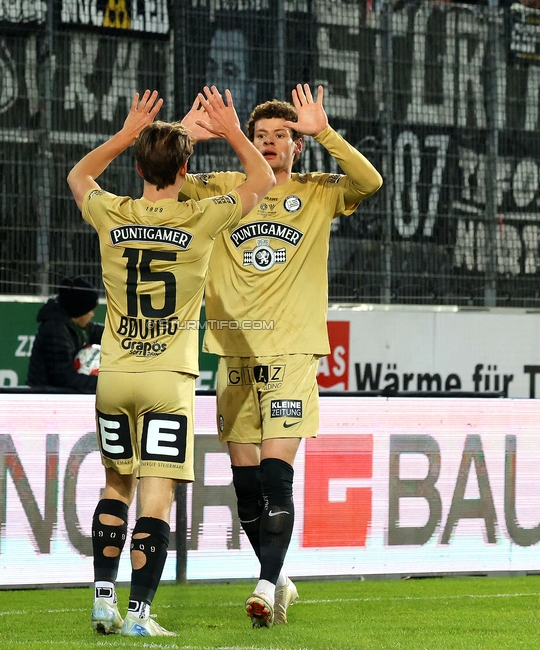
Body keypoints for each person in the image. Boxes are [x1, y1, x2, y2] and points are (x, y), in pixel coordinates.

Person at [67, 86, 274, 637]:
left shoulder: (113, 214)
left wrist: (128, 133)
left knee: (117, 485)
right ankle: (139, 615)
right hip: (168, 377)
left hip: (113, 374)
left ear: (137, 163)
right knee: (155, 494)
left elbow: (79, 177)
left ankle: (102, 599)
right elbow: (262, 183)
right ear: (186, 169)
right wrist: (231, 132)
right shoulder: (199, 218)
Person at [180, 83, 383, 627]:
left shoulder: (318, 191)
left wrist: (327, 133)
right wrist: (184, 134)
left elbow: (370, 181)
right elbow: (161, 181)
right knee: (246, 488)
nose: (270, 142)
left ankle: (267, 585)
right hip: (234, 354)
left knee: (275, 477)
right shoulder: (224, 187)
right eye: (260, 135)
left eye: (282, 136)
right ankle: (279, 574)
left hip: (292, 353)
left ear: (297, 146)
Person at [26, 277, 103, 393]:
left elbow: (102, 332)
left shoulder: (75, 325)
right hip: (45, 397)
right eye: (89, 311)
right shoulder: (55, 331)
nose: (92, 314)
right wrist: (104, 384)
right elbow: (63, 378)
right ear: (79, 311)